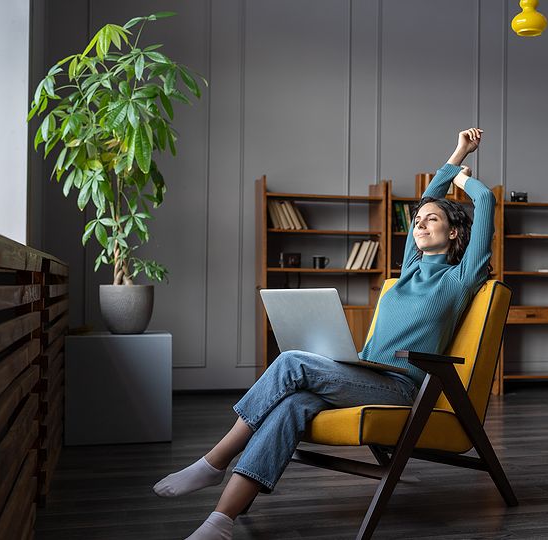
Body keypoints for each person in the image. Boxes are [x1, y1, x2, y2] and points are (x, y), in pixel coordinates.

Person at [153, 128, 496, 540]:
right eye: (417, 222)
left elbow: (486, 200)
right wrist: (457, 151)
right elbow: (423, 201)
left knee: (292, 360)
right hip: (364, 375)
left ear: (455, 232)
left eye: (432, 220)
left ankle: (214, 461)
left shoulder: (459, 280)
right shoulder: (410, 268)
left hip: (402, 389)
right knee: (292, 405)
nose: (420, 224)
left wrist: (461, 177)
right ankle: (219, 522)